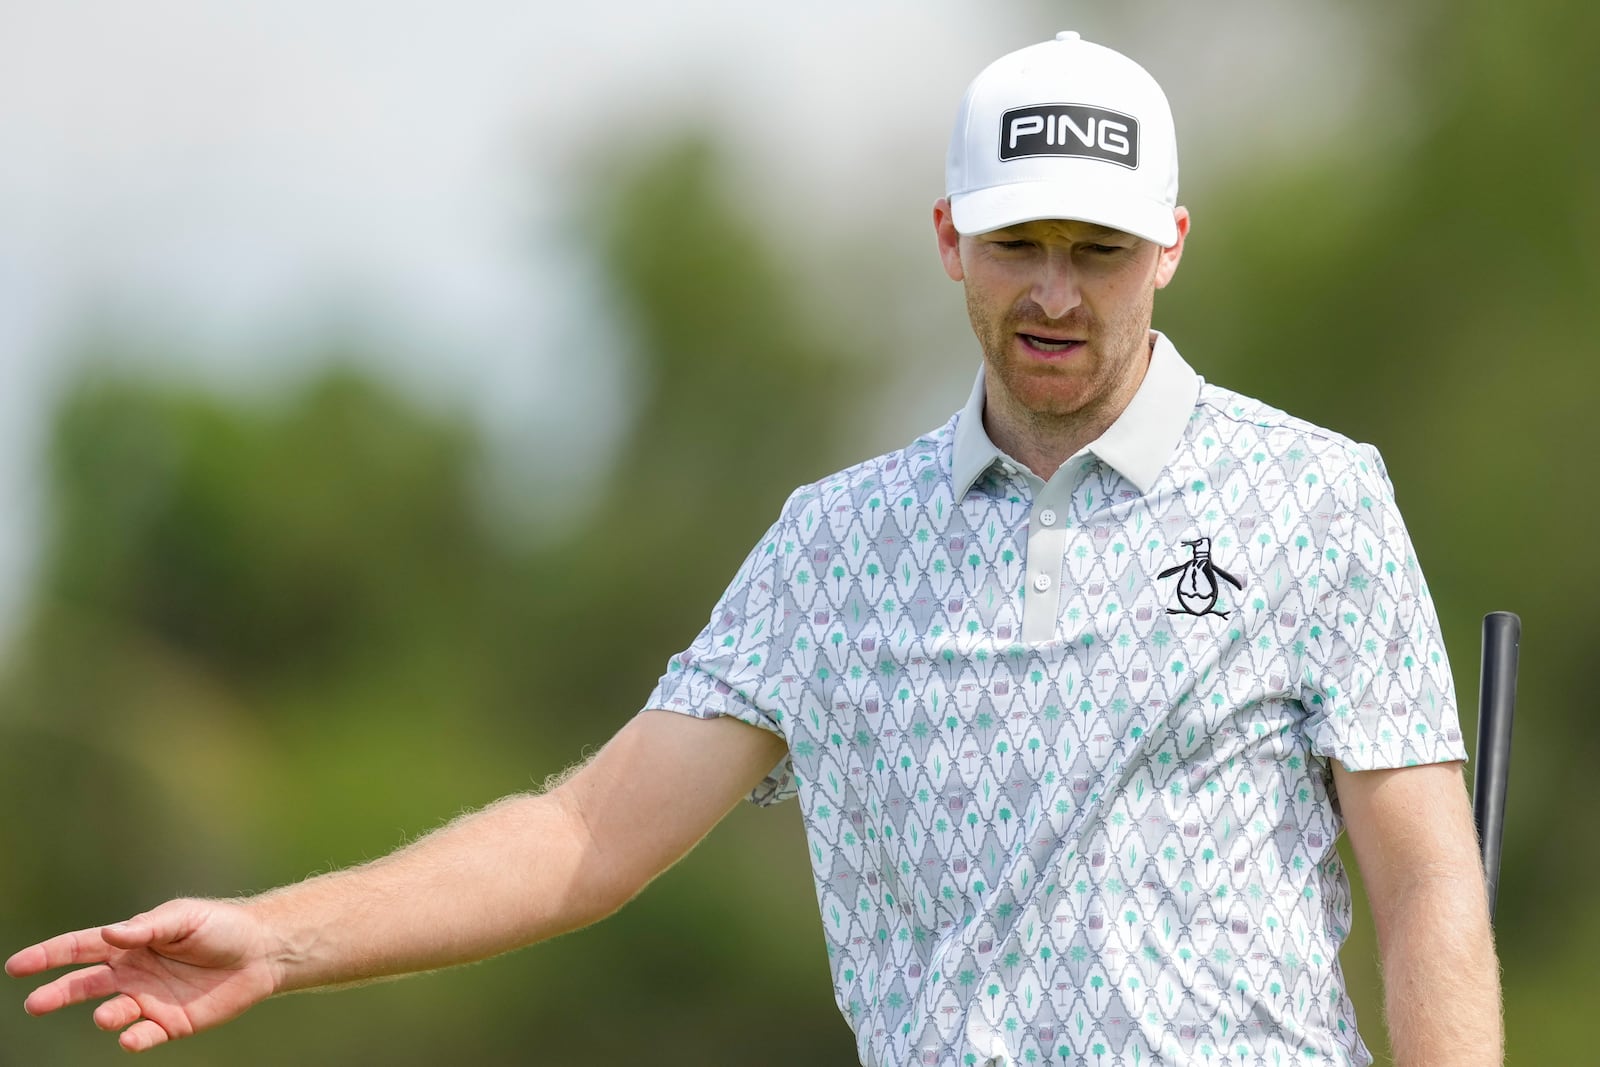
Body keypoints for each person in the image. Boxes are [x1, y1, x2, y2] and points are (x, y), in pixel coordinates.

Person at [6, 30, 1501, 1067]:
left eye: (1099, 252)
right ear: (949, 238)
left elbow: (1428, 882)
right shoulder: (835, 549)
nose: (1057, 293)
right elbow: (586, 835)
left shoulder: (1317, 501)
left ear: (1169, 243)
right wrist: (278, 936)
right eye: (1019, 244)